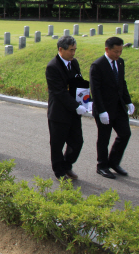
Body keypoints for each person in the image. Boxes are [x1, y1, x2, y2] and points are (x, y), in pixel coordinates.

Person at [90, 37, 135, 179]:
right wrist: (102, 111)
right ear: (107, 49)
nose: (118, 54)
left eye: (120, 51)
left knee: (125, 133)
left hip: (119, 107)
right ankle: (102, 166)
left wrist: (128, 102)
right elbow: (95, 90)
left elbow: (122, 83)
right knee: (104, 138)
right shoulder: (97, 65)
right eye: (116, 51)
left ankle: (114, 162)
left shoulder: (120, 62)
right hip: (104, 109)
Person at [45, 36, 88, 180]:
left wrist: (88, 101)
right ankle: (59, 171)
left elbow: (79, 83)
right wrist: (76, 106)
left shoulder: (74, 63)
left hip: (74, 112)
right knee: (57, 144)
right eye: (71, 50)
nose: (73, 53)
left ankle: (67, 164)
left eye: (75, 50)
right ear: (61, 49)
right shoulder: (53, 67)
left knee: (77, 142)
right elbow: (59, 92)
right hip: (59, 113)